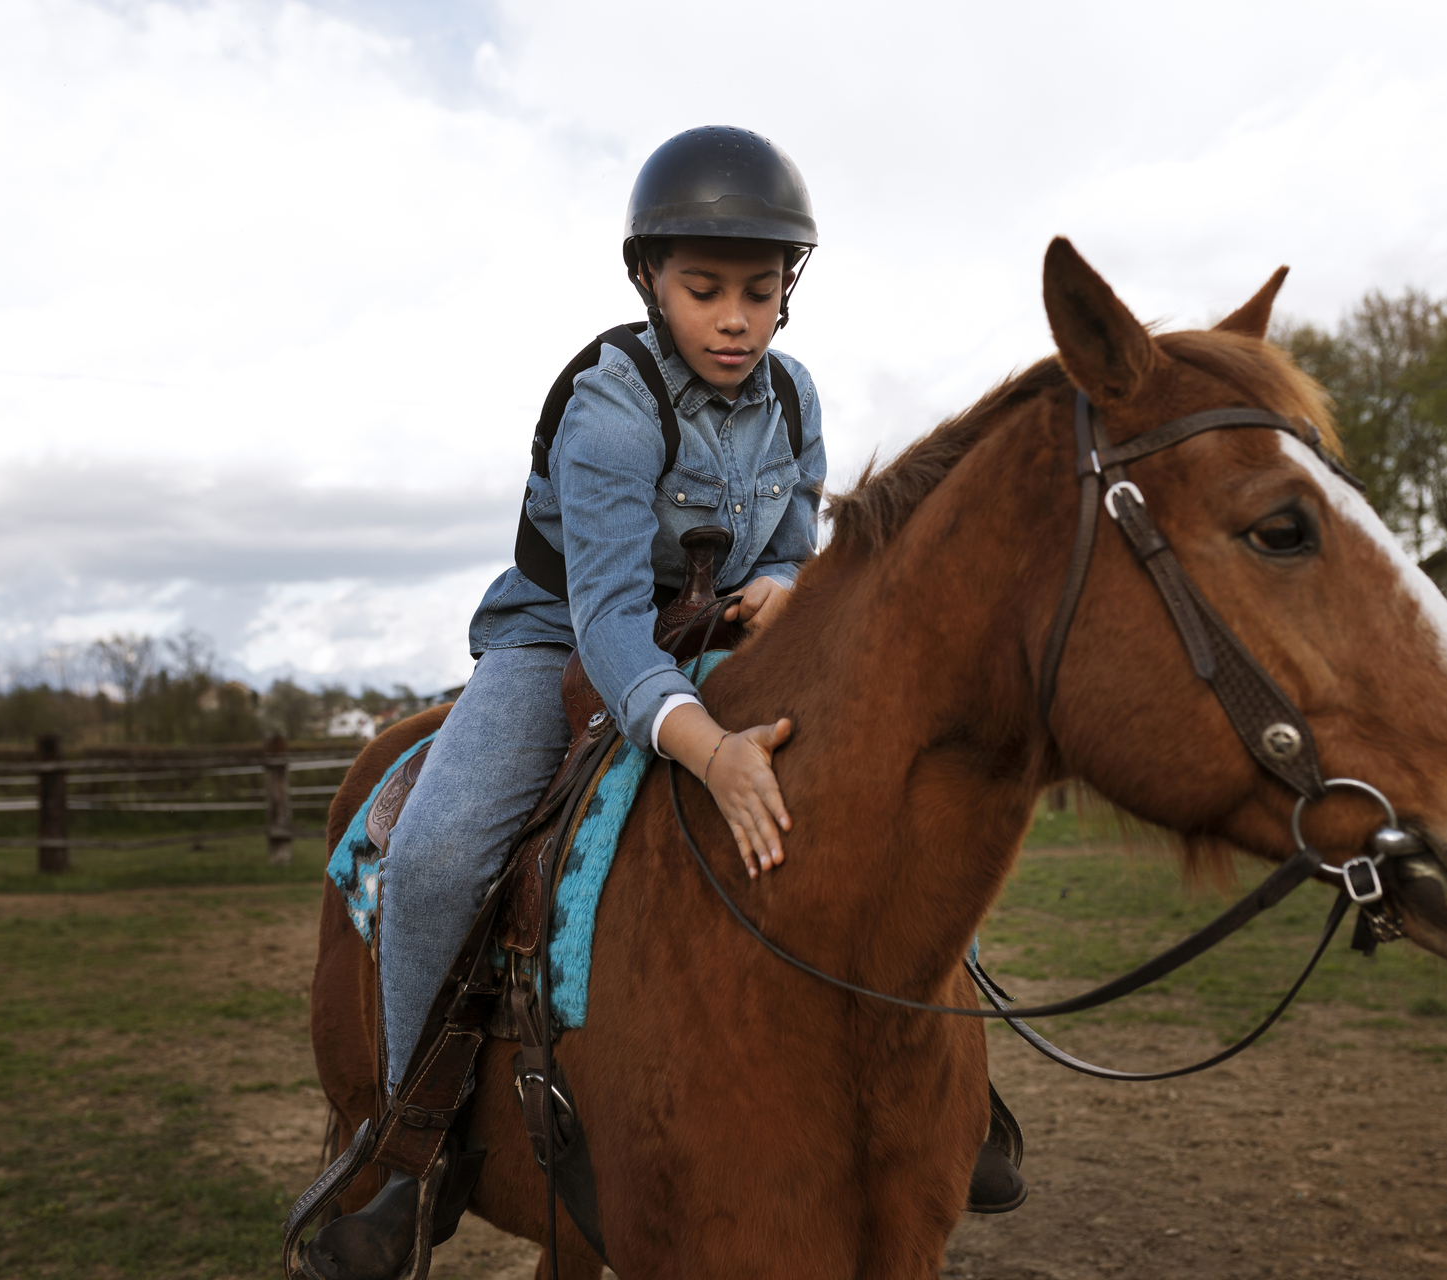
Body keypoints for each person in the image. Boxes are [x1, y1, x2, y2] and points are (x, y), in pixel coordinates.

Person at [302, 126, 1022, 1280]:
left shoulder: (795, 398)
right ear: (649, 281)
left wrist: (781, 591)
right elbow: (606, 628)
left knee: (889, 802)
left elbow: (794, 545)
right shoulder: (610, 409)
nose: (735, 318)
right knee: (438, 853)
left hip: (711, 638)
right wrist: (711, 750)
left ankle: (950, 1087)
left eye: (759, 289)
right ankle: (405, 1140)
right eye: (703, 290)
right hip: (562, 644)